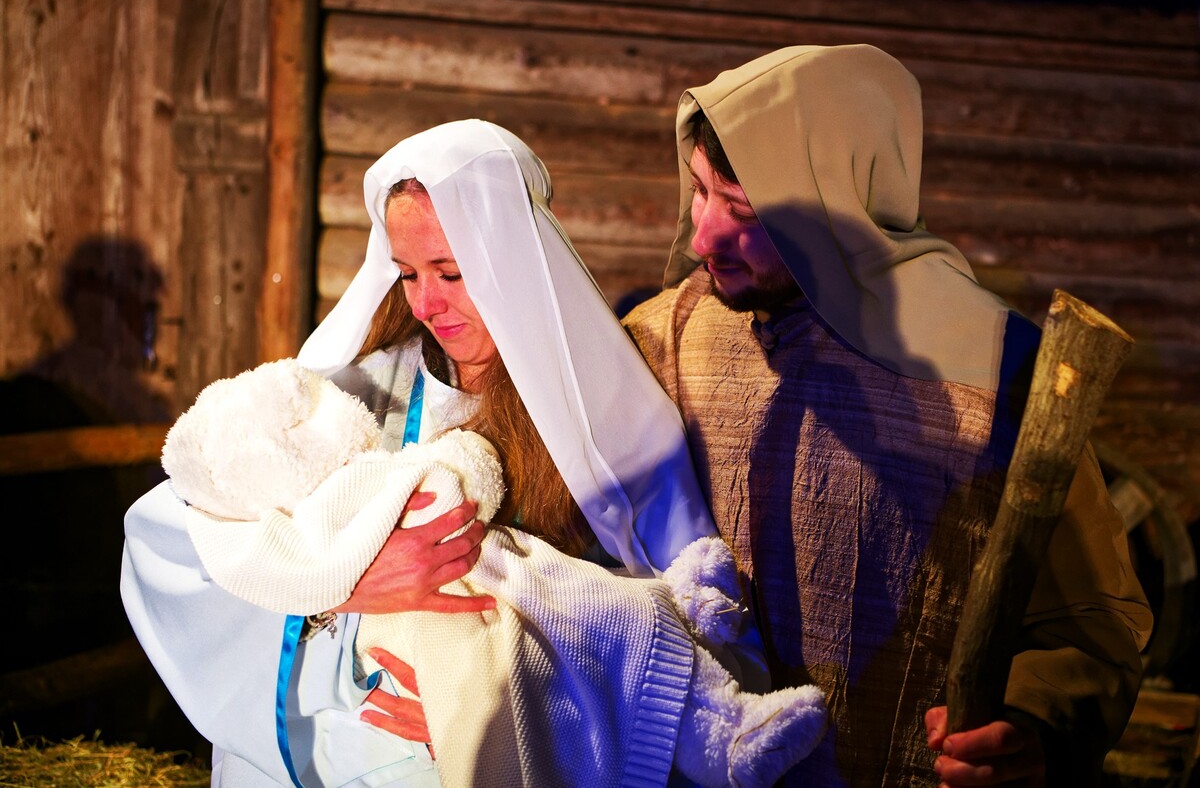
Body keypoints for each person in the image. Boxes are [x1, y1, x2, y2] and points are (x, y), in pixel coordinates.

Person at [122, 119, 786, 787]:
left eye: (451, 271)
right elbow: (170, 537)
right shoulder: (356, 391)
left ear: (513, 260)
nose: (425, 303)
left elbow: (685, 632)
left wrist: (500, 704)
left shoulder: (608, 417)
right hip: (336, 746)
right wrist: (337, 589)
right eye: (407, 273)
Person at [620, 44, 1155, 786]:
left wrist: (1032, 725)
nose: (703, 235)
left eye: (742, 209)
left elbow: (1092, 627)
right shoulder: (666, 338)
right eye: (699, 190)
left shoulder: (995, 368)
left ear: (840, 207)